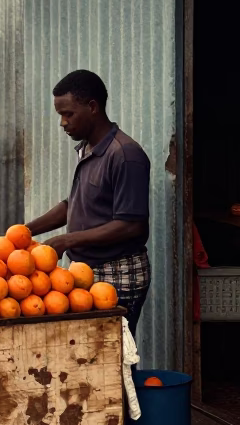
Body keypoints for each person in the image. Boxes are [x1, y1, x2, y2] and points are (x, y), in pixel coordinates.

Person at [25, 69, 151, 337]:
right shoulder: (88, 149)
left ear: (92, 107)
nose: (63, 122)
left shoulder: (125, 155)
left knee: (114, 357)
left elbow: (132, 226)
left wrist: (66, 241)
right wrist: (25, 231)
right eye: (60, 115)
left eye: (68, 114)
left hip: (118, 274)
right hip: (85, 271)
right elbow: (73, 204)